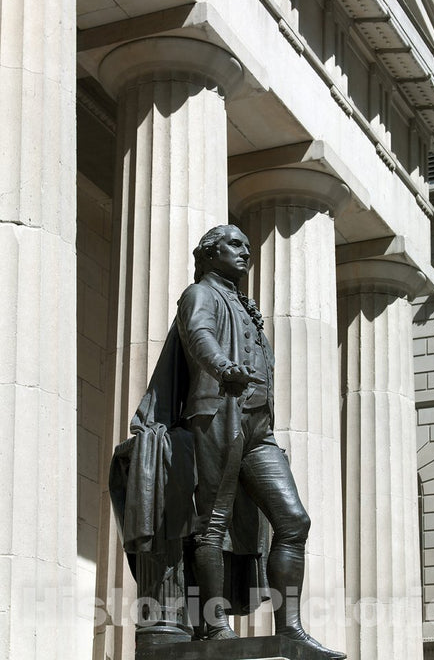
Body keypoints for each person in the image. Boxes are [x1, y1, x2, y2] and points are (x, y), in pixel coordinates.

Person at [176, 224, 344, 659]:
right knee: (212, 521)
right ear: (210, 254)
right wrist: (222, 367)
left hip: (257, 427)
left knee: (294, 522)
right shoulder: (201, 294)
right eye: (235, 245)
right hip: (217, 410)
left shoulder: (245, 305)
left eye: (249, 247)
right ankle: (214, 627)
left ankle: (289, 629)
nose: (245, 253)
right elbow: (198, 336)